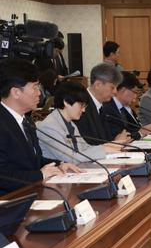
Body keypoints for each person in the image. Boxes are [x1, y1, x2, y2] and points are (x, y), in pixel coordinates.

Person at [0, 59, 79, 195]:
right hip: (9, 200)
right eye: (35, 87)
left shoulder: (26, 120)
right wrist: (40, 175)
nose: (39, 93)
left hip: (31, 193)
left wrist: (59, 165)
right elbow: (3, 176)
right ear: (16, 92)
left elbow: (34, 161)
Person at [37, 82, 122, 164]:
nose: (84, 110)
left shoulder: (71, 123)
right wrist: (103, 149)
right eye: (81, 105)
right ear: (66, 102)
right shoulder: (49, 127)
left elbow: (85, 148)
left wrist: (108, 146)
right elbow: (70, 158)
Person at [75, 63, 130, 146]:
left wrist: (117, 140)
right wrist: (114, 143)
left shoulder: (102, 107)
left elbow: (105, 140)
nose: (115, 92)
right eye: (112, 87)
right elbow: (89, 145)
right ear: (98, 85)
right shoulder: (81, 106)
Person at [103, 71, 151, 140]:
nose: (136, 96)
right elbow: (117, 136)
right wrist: (140, 133)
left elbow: (133, 129)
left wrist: (144, 130)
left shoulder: (124, 108)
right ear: (123, 90)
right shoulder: (107, 108)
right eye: (135, 92)